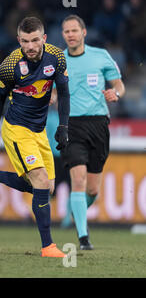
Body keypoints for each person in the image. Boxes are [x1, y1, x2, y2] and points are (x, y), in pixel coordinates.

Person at [0, 17, 70, 258]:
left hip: (39, 131)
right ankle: (48, 247)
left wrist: (64, 126)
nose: (31, 46)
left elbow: (63, 93)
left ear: (44, 38)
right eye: (25, 41)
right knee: (42, 183)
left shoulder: (56, 57)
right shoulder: (9, 65)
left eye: (35, 40)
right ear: (19, 41)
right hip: (15, 130)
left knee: (46, 189)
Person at [59, 14, 125, 250]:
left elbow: (118, 84)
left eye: (74, 30)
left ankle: (76, 210)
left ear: (84, 32)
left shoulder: (101, 56)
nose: (70, 35)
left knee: (92, 189)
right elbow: (52, 92)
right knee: (78, 180)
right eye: (66, 31)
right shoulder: (58, 62)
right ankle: (83, 238)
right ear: (63, 35)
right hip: (72, 126)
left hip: (98, 125)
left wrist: (115, 94)